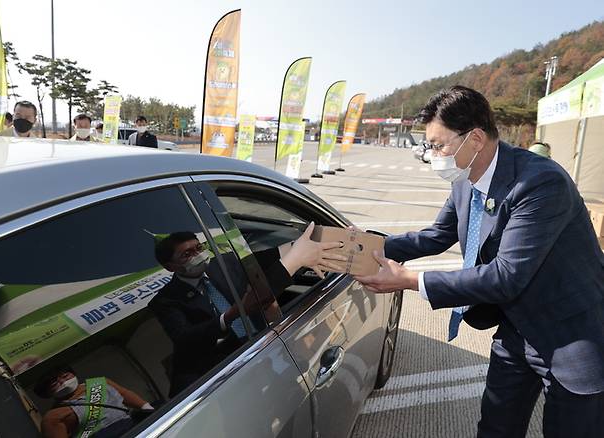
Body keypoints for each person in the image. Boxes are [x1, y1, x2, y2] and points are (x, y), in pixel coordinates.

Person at [354, 86, 604, 437]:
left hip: (570, 333)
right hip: (517, 329)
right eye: (429, 146)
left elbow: (505, 276)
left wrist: (411, 280)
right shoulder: (464, 180)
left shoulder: (540, 182)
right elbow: (436, 236)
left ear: (475, 138)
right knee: (495, 428)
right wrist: (366, 245)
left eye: (439, 145)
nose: (433, 155)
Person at [148, 223, 341, 397]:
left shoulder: (223, 264)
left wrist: (302, 246)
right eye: (187, 254)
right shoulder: (165, 301)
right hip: (226, 377)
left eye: (199, 248)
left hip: (266, 348)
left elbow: (265, 259)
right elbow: (186, 338)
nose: (197, 255)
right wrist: (231, 315)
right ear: (170, 266)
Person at [34, 366, 154, 438]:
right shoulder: (53, 416)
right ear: (47, 393)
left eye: (65, 376)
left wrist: (147, 407)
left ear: (74, 374)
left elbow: (125, 394)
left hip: (134, 425)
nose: (62, 382)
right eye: (54, 383)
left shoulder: (101, 382)